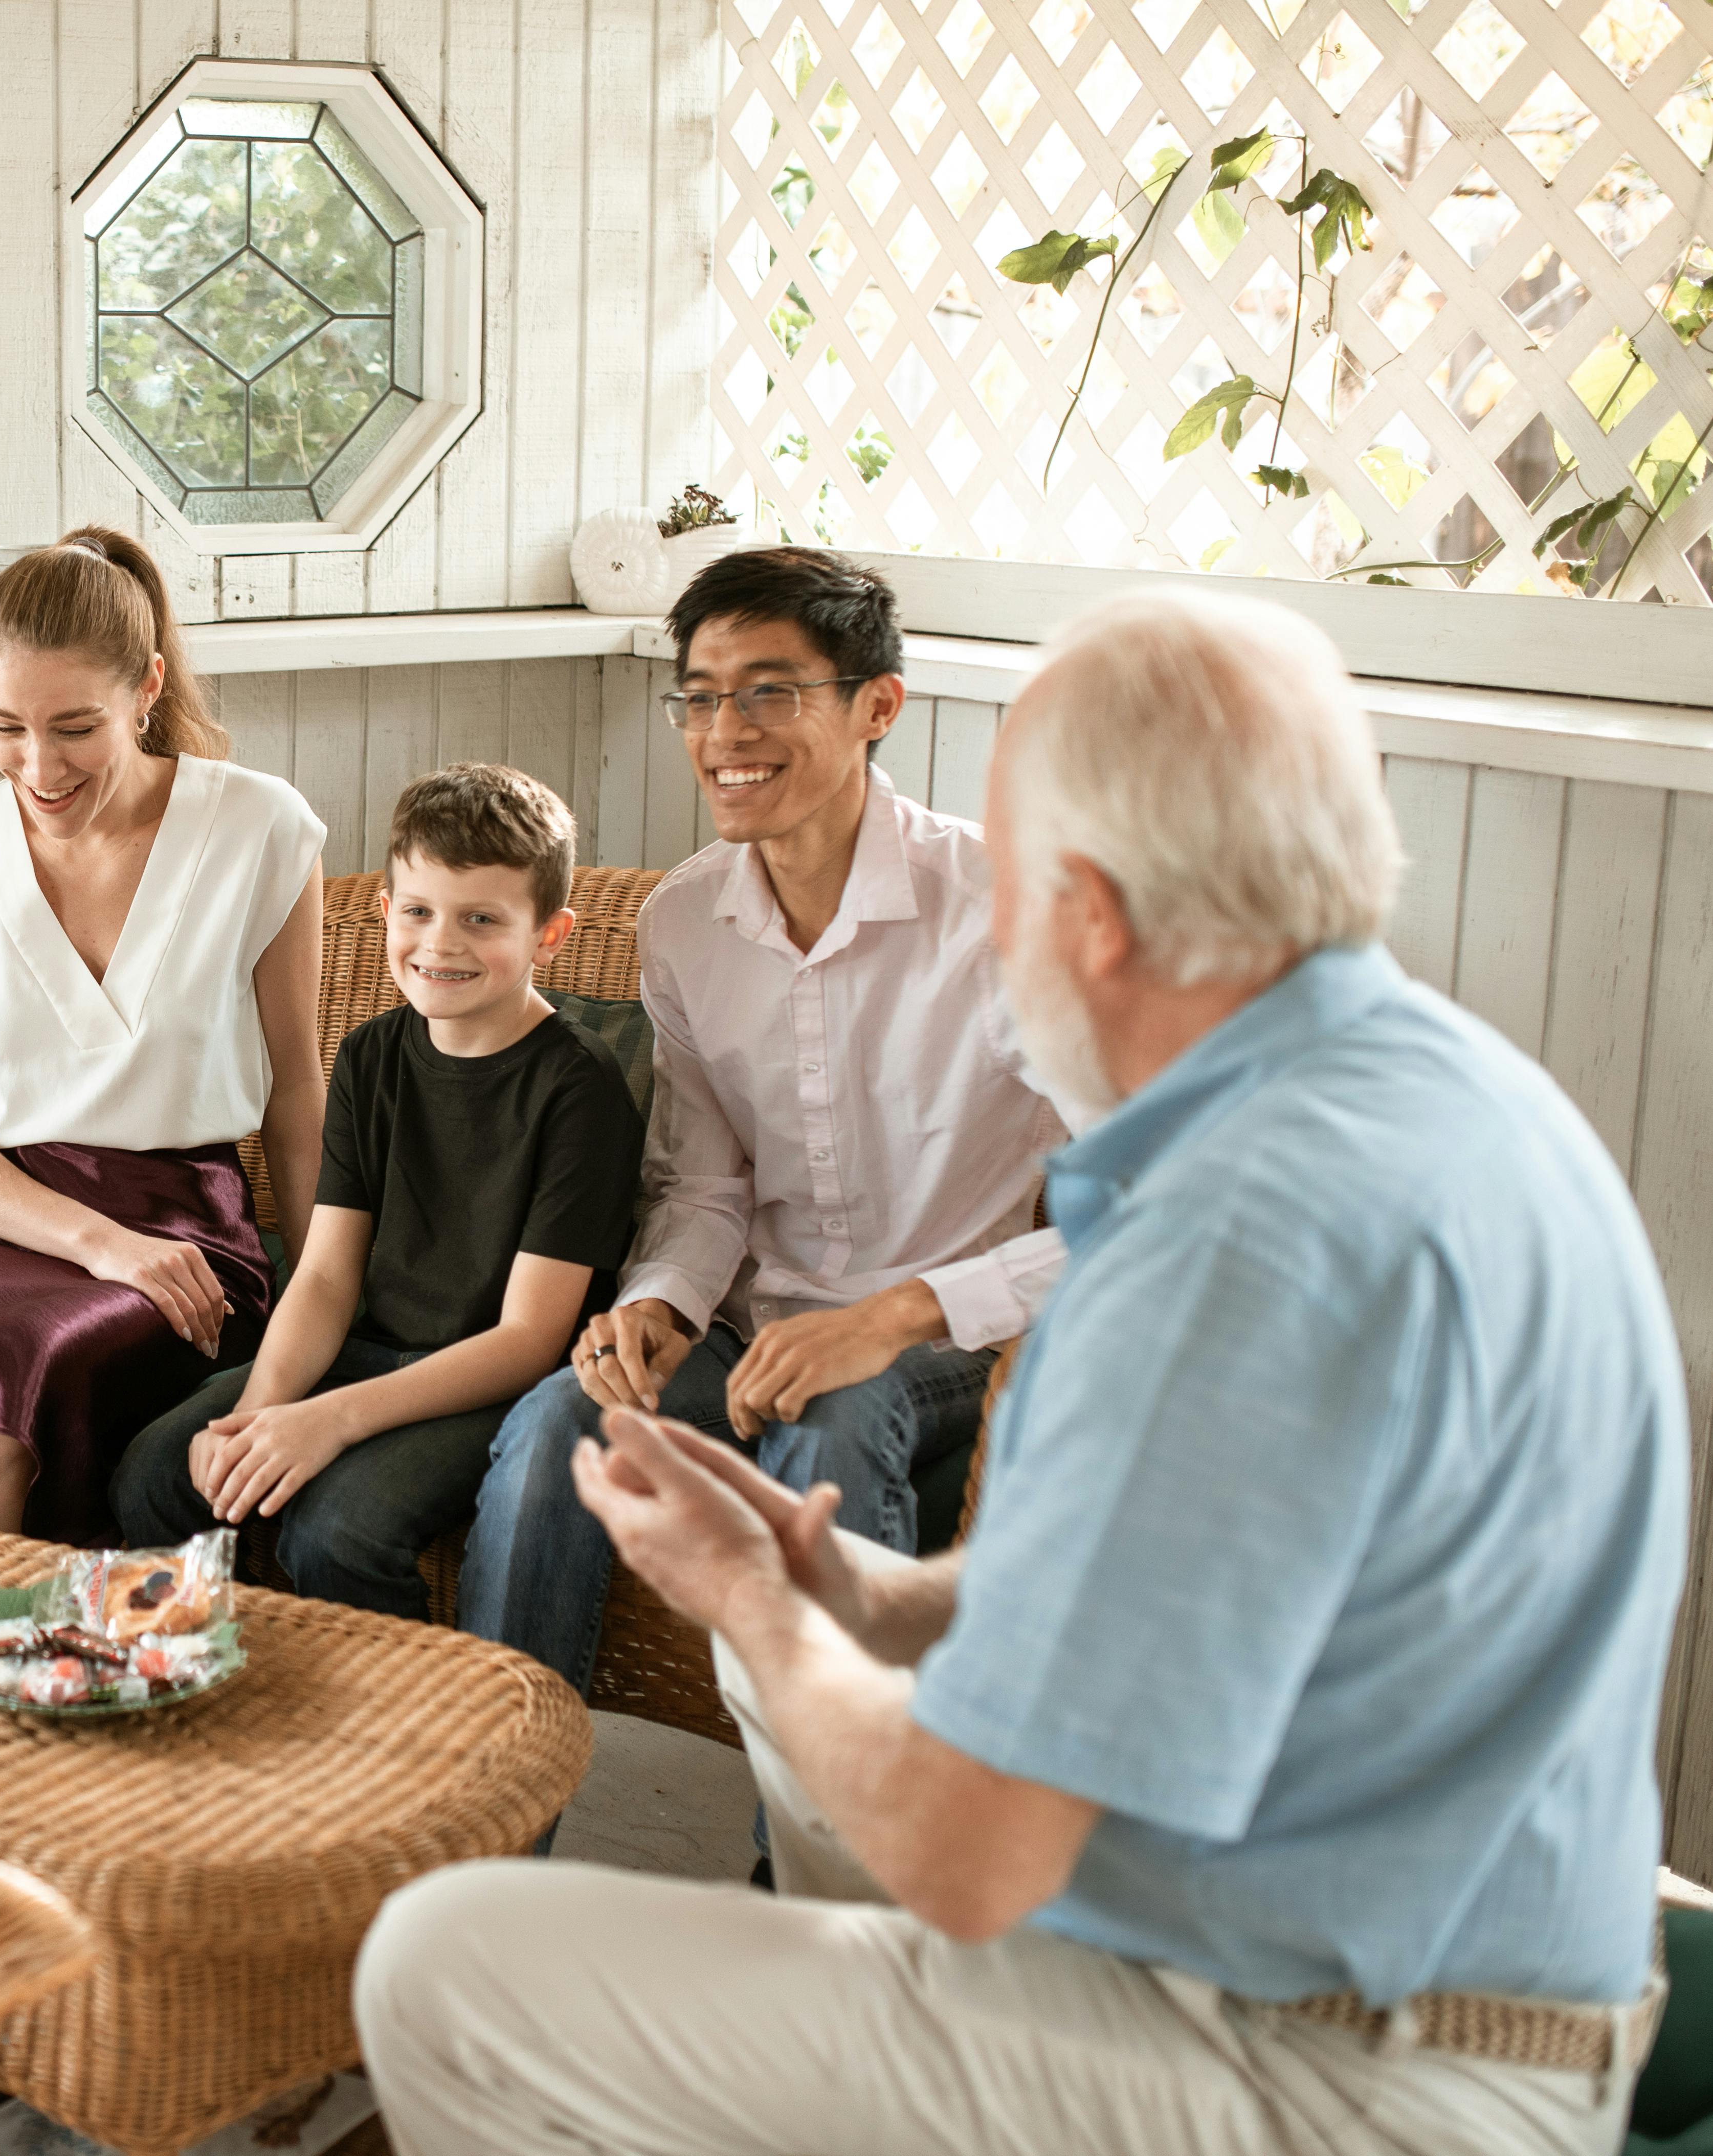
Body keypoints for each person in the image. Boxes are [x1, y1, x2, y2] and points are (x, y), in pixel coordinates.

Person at [355, 591, 1688, 2156]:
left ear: (1092, 916)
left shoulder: (1227, 1249)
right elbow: (1179, 1593)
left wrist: (766, 1618)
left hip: (1339, 2072)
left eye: (1016, 887)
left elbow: (971, 1855)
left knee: (445, 1964)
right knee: (784, 1641)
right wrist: (834, 1589)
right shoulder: (1449, 1092)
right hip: (1422, 1976)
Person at [463, 546, 1071, 1704]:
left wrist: (896, 1316)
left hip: (942, 1339)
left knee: (835, 1426)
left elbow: (1155, 1212)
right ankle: (499, 1818)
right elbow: (704, 1184)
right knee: (560, 1425)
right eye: (700, 694)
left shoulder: (1008, 911)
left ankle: (816, 1855)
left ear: (877, 704)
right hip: (752, 1325)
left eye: (771, 691)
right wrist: (656, 1302)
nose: (725, 729)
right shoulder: (687, 920)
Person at [0, 528, 326, 1542]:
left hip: (178, 1229)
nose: (39, 766)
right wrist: (96, 1242)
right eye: (6, 727)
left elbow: (298, 1098)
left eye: (75, 726)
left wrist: (322, 1302)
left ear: (148, 687)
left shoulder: (262, 832)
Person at [111, 766, 638, 1615]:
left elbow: (531, 1338)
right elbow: (324, 1277)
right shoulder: (369, 1055)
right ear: (385, 910)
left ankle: (403, 1735)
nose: (441, 944)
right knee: (160, 1475)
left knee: (340, 1531)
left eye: (482, 920)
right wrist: (258, 1414)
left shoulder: (581, 1087)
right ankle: (238, 1685)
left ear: (550, 934)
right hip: (373, 1346)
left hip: (495, 1382)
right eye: (420, 911)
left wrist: (332, 1420)